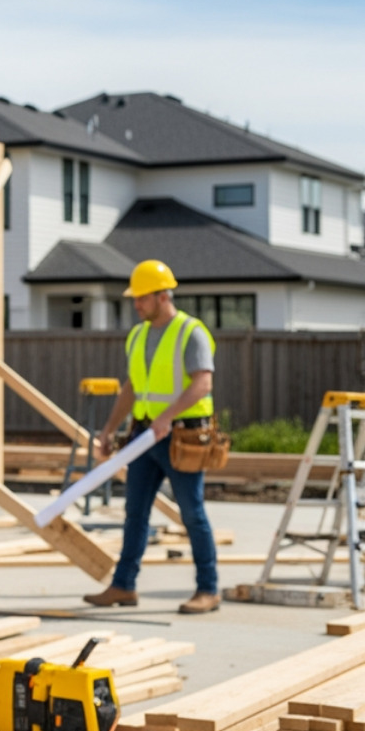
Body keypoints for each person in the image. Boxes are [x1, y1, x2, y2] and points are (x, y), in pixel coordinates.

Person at [84, 260, 220, 614]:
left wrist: (167, 417)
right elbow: (132, 387)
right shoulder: (138, 335)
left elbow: (203, 383)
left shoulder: (191, 332)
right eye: (135, 299)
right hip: (144, 437)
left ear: (163, 296)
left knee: (192, 514)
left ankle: (208, 589)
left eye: (142, 298)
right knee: (135, 513)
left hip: (183, 437)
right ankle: (123, 586)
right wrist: (109, 430)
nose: (136, 305)